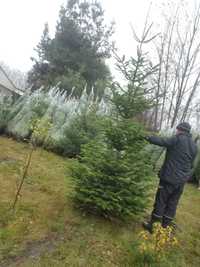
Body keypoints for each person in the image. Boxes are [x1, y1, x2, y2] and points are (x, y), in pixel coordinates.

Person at [143, 122, 197, 233]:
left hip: (169, 178)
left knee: (161, 201)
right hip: (181, 181)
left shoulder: (177, 139)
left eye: (177, 130)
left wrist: (147, 137)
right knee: (172, 203)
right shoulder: (193, 145)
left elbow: (162, 141)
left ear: (179, 130)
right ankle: (165, 227)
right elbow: (191, 164)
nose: (176, 132)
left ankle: (152, 226)